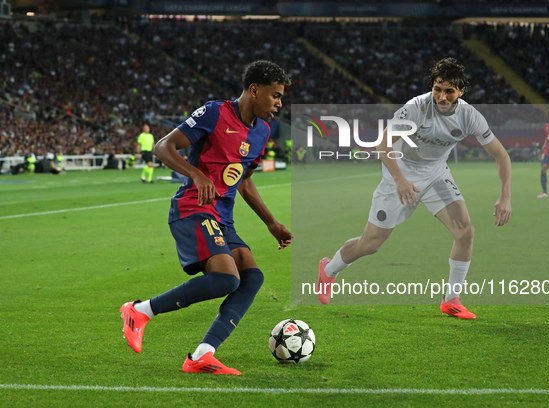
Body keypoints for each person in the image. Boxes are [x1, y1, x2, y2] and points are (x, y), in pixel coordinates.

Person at [120, 60, 293, 375]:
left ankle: (203, 353)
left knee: (252, 278)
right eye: (275, 95)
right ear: (255, 90)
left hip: (222, 218)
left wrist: (270, 222)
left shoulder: (263, 131)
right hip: (193, 207)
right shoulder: (215, 113)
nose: (279, 104)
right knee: (226, 279)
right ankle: (139, 310)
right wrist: (196, 174)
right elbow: (163, 147)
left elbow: (246, 180)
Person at [316, 58, 512, 319]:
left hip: (435, 175)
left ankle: (451, 298)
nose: (442, 96)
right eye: (437, 89)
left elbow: (501, 155)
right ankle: (329, 270)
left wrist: (505, 197)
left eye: (449, 91)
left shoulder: (470, 116)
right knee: (371, 243)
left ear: (461, 92)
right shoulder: (416, 108)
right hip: (399, 172)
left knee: (465, 231)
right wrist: (399, 180)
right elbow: (383, 144)